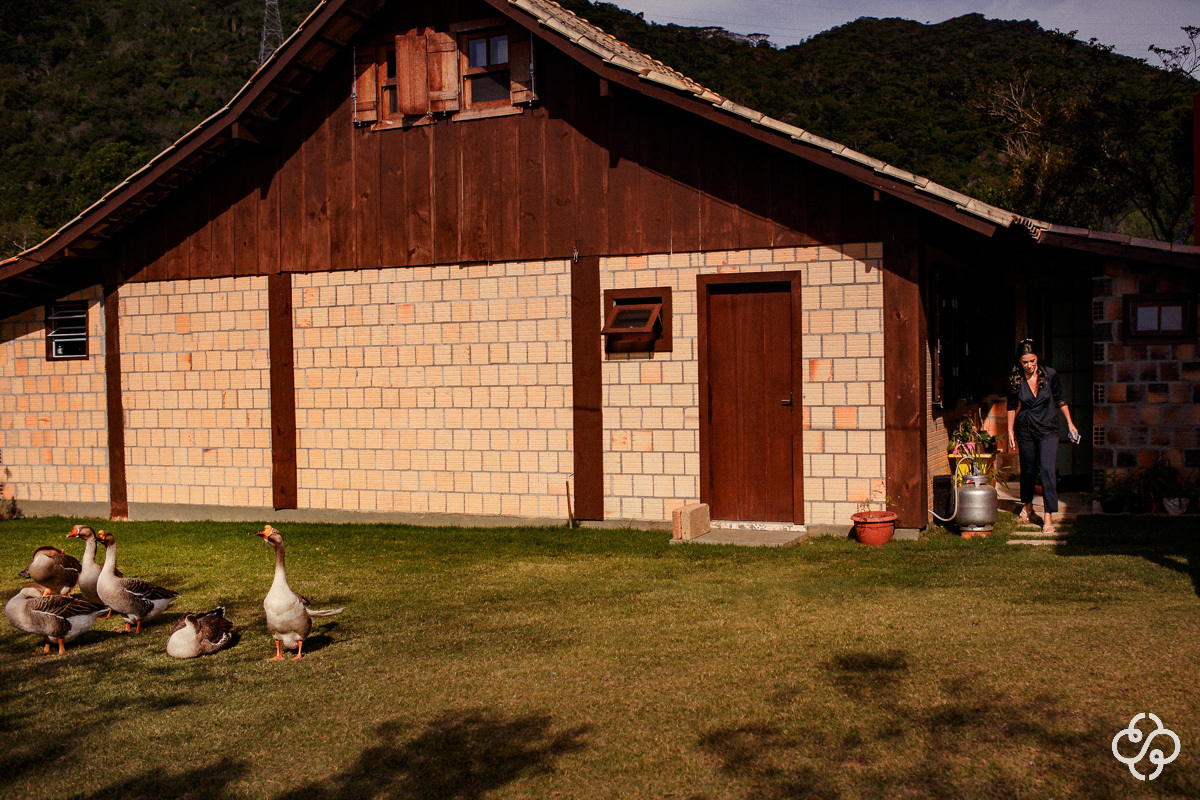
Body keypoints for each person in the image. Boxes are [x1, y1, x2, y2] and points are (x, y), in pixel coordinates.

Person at [1006, 339, 1078, 533]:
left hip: (1048, 428)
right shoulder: (1015, 378)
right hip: (1025, 428)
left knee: (1047, 469)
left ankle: (1048, 515)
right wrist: (1010, 431)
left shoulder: (1050, 375)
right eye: (1025, 362)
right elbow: (1011, 405)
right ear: (1019, 362)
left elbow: (1060, 399)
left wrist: (1070, 424)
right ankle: (1028, 505)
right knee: (1028, 470)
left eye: (1032, 361)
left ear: (1037, 358)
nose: (1029, 365)